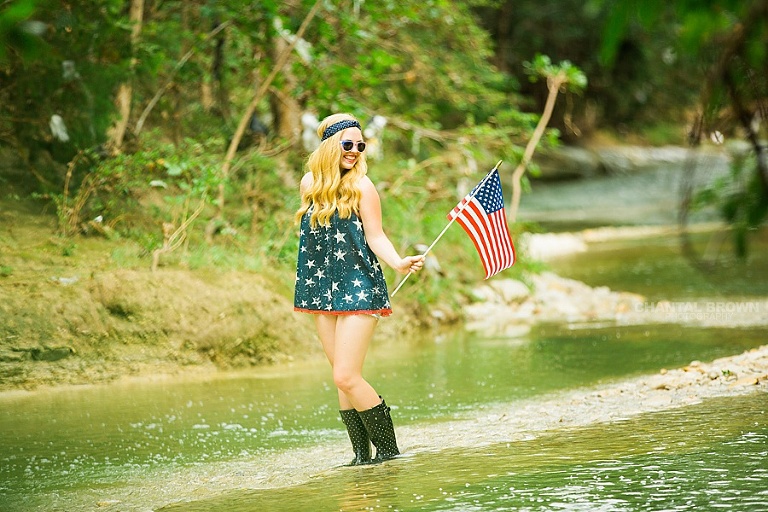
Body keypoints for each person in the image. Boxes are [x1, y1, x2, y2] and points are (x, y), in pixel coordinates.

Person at [293, 113, 425, 465]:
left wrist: (398, 262)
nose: (354, 151)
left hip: (359, 285)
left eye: (360, 145)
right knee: (342, 379)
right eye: (347, 144)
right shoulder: (309, 184)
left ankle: (389, 452)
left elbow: (375, 235)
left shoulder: (363, 187)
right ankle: (360, 457)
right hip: (320, 288)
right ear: (329, 145)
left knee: (346, 374)